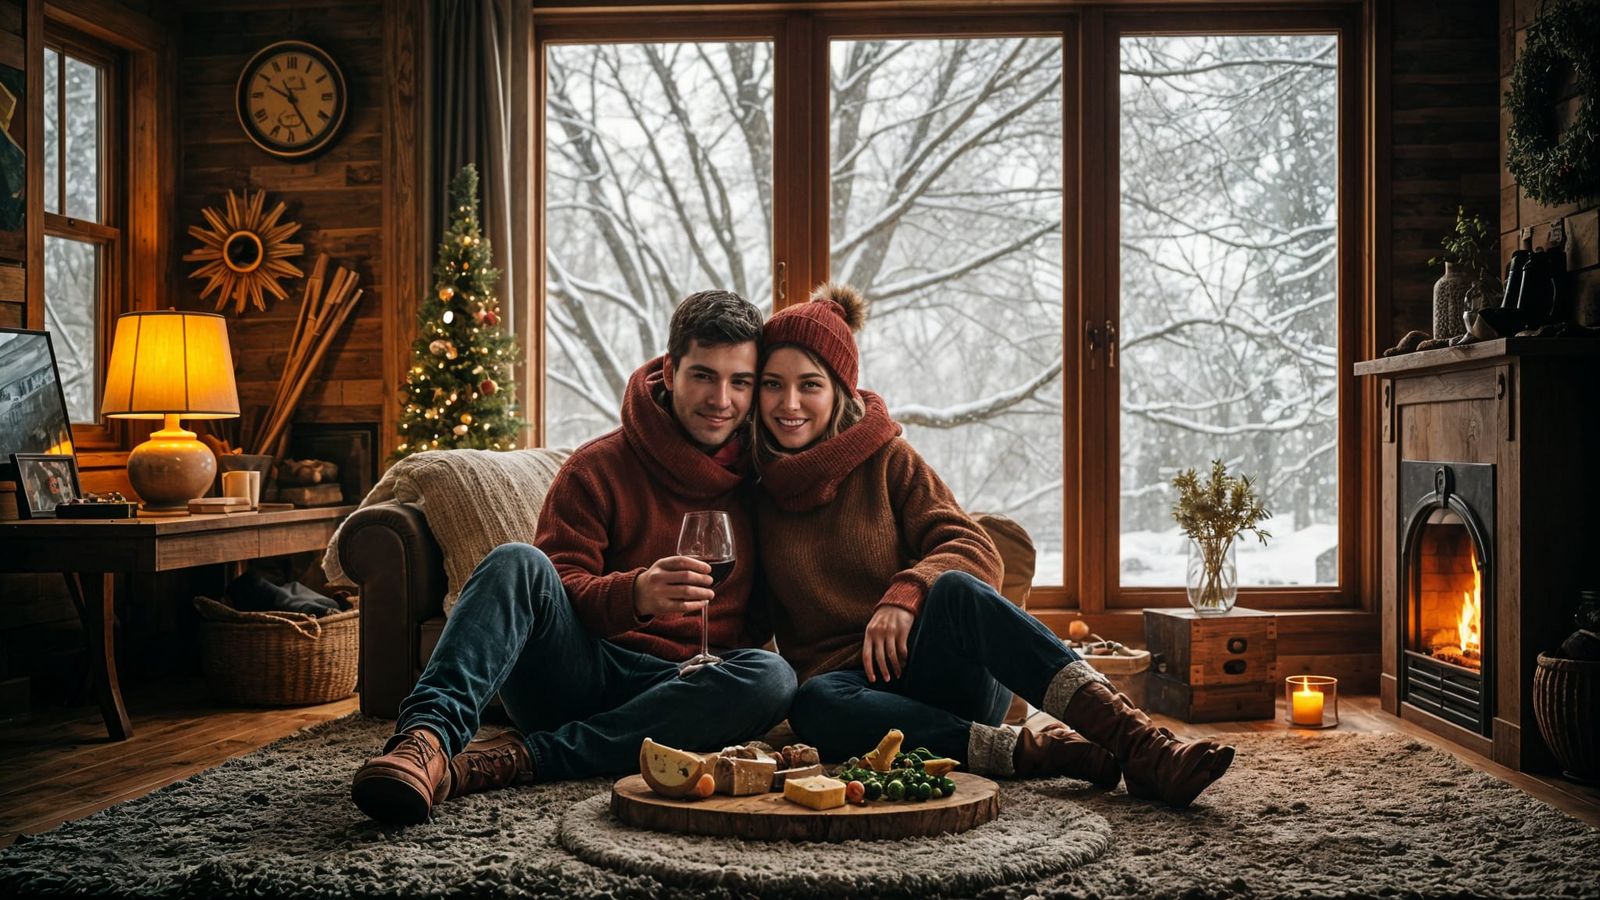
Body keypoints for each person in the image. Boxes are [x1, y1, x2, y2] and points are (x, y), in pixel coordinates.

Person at [751, 283, 1233, 807]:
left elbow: (975, 546)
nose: (789, 403)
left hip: (941, 671)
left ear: (839, 390)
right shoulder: (752, 488)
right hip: (855, 700)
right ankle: (1037, 751)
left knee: (956, 588)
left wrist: (906, 594)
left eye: (810, 385)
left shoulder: (888, 459)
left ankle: (1144, 746)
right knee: (815, 704)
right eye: (773, 384)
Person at [351, 290, 797, 825]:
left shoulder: (766, 483)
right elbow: (555, 584)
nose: (720, 398)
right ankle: (423, 742)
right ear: (672, 369)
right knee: (516, 560)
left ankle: (518, 758)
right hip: (580, 673)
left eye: (740, 382)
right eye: (703, 375)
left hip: (678, 693)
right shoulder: (597, 467)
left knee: (772, 677)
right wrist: (634, 594)